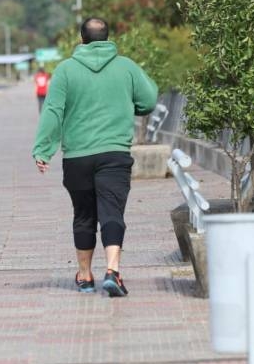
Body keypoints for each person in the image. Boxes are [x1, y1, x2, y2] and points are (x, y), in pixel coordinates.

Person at [32, 17, 157, 297]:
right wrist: (126, 106)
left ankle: (85, 276)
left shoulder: (65, 70)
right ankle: (112, 271)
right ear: (108, 38)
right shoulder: (126, 67)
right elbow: (149, 100)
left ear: (81, 39)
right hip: (114, 153)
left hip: (77, 156)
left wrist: (43, 150)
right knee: (112, 211)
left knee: (84, 214)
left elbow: (53, 111)